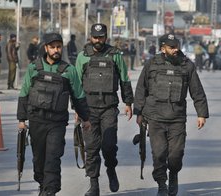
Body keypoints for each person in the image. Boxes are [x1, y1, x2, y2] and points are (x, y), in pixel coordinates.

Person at [134, 33, 209, 196]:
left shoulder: (186, 65)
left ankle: (173, 174)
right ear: (163, 48)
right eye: (171, 47)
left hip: (177, 118)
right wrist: (138, 112)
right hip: (155, 117)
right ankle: (162, 184)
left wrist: (201, 113)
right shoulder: (151, 64)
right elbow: (141, 88)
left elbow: (197, 90)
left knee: (176, 155)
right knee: (159, 153)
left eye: (177, 46)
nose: (175, 50)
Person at [17, 32, 91, 196]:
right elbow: (24, 94)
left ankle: (50, 191)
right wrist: (21, 119)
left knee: (53, 157)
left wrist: (86, 118)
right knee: (38, 159)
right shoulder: (34, 68)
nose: (56, 50)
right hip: (36, 120)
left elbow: (78, 96)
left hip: (57, 124)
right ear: (46, 48)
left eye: (58, 47)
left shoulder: (69, 70)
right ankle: (43, 184)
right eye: (52, 47)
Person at [75, 23, 134, 196]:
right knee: (91, 148)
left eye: (101, 37)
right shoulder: (82, 57)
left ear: (106, 37)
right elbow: (76, 85)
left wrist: (128, 103)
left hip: (109, 107)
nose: (98, 40)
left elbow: (124, 79)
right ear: (90, 37)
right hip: (88, 110)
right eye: (95, 37)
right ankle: (94, 185)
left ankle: (111, 169)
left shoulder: (115, 55)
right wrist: (77, 110)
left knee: (108, 146)